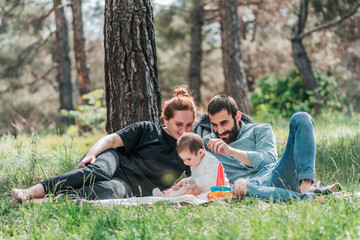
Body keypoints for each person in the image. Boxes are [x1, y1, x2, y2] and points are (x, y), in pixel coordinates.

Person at [12, 87, 196, 203]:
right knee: (99, 172)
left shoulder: (189, 150)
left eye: (189, 125)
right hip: (113, 160)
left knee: (113, 191)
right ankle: (29, 192)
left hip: (127, 185)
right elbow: (110, 140)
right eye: (179, 124)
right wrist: (90, 155)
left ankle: (37, 203)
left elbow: (195, 178)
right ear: (166, 118)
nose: (184, 130)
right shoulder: (148, 130)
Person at [204, 94, 318, 202]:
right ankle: (308, 198)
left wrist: (231, 151)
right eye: (214, 125)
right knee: (240, 186)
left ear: (237, 116)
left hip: (274, 174)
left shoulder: (260, 130)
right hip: (250, 188)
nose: (219, 130)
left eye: (224, 123)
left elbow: (269, 160)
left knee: (301, 117)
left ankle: (306, 188)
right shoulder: (207, 143)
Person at [152, 132, 227, 199]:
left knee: (206, 195)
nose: (186, 163)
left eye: (188, 159)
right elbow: (195, 177)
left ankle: (189, 198)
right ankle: (166, 197)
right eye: (183, 160)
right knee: (185, 188)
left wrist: (196, 184)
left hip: (216, 189)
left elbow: (212, 176)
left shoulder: (210, 160)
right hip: (201, 188)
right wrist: (185, 180)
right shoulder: (195, 161)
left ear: (200, 152)